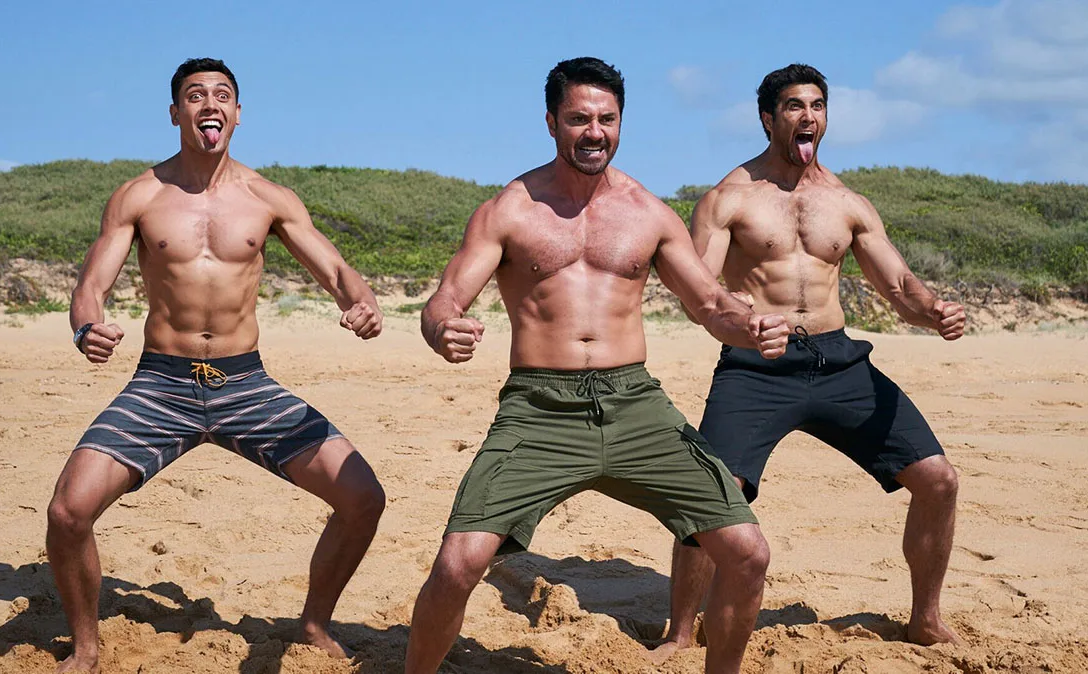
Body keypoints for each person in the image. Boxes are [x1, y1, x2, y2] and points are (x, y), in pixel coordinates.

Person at [403, 57, 790, 674]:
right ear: (551, 122)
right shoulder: (509, 210)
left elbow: (709, 304)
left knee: (748, 553)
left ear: (621, 123)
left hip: (635, 404)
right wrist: (442, 328)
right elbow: (445, 300)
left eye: (607, 119)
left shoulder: (648, 213)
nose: (594, 132)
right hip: (539, 409)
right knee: (457, 565)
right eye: (579, 119)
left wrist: (750, 326)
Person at [46, 58, 386, 673]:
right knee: (68, 512)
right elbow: (91, 285)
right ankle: (86, 648)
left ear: (237, 113)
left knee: (363, 497)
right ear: (176, 113)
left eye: (222, 95)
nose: (210, 104)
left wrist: (360, 303)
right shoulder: (139, 196)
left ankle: (314, 623)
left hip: (246, 385)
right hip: (161, 385)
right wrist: (86, 328)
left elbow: (337, 270)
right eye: (196, 95)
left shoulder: (268, 198)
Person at [654, 64, 966, 661]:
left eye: (817, 106)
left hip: (839, 362)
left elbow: (898, 285)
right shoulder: (729, 199)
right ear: (768, 118)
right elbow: (698, 291)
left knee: (938, 481)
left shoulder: (847, 203)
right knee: (711, 495)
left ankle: (925, 619)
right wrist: (742, 319)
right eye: (795, 106)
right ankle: (679, 631)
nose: (808, 117)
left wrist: (934, 311)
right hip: (756, 366)